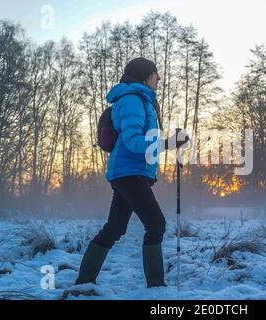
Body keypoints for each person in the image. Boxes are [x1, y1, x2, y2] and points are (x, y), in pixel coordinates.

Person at [75, 57, 189, 288]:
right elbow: (133, 142)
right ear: (146, 76)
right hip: (129, 172)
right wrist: (168, 143)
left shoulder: (141, 101)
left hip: (131, 172)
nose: (159, 80)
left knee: (115, 228)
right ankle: (156, 286)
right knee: (156, 224)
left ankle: (84, 281)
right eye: (157, 75)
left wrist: (170, 143)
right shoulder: (132, 101)